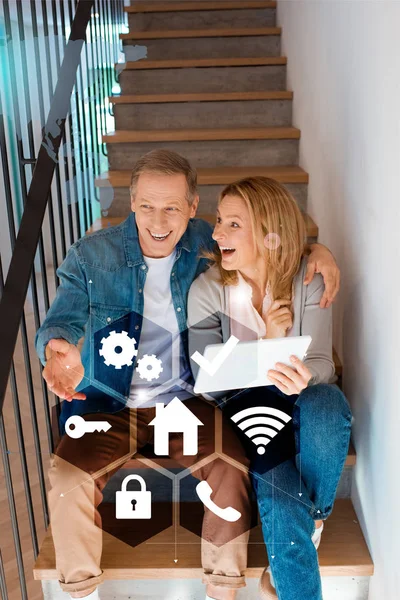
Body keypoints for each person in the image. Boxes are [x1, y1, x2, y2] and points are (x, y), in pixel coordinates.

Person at [35, 150, 341, 600]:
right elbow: (60, 322)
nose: (158, 221)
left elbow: (271, 239)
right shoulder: (90, 256)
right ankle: (80, 591)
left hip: (187, 402)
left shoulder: (209, 244)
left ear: (193, 207)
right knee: (66, 480)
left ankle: (224, 588)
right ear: (132, 201)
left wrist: (319, 251)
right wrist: (57, 346)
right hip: (108, 404)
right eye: (146, 206)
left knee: (232, 467)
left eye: (172, 208)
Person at [187, 176, 352, 600]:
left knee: (329, 403)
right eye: (219, 221)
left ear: (269, 232)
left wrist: (299, 374)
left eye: (233, 224)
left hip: (302, 406)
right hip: (249, 417)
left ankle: (311, 520)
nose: (217, 232)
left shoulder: (308, 279)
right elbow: (207, 382)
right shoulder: (208, 291)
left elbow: (319, 365)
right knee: (280, 502)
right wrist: (267, 347)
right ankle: (305, 527)